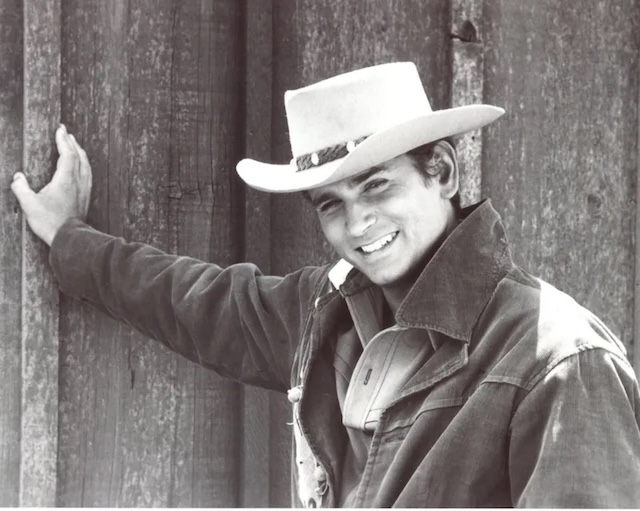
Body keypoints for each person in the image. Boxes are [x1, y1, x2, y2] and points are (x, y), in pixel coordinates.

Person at [10, 62, 640, 507]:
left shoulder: (556, 360)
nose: (358, 224)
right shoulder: (323, 313)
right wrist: (68, 238)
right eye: (330, 204)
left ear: (441, 172)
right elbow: (187, 301)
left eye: (377, 185)